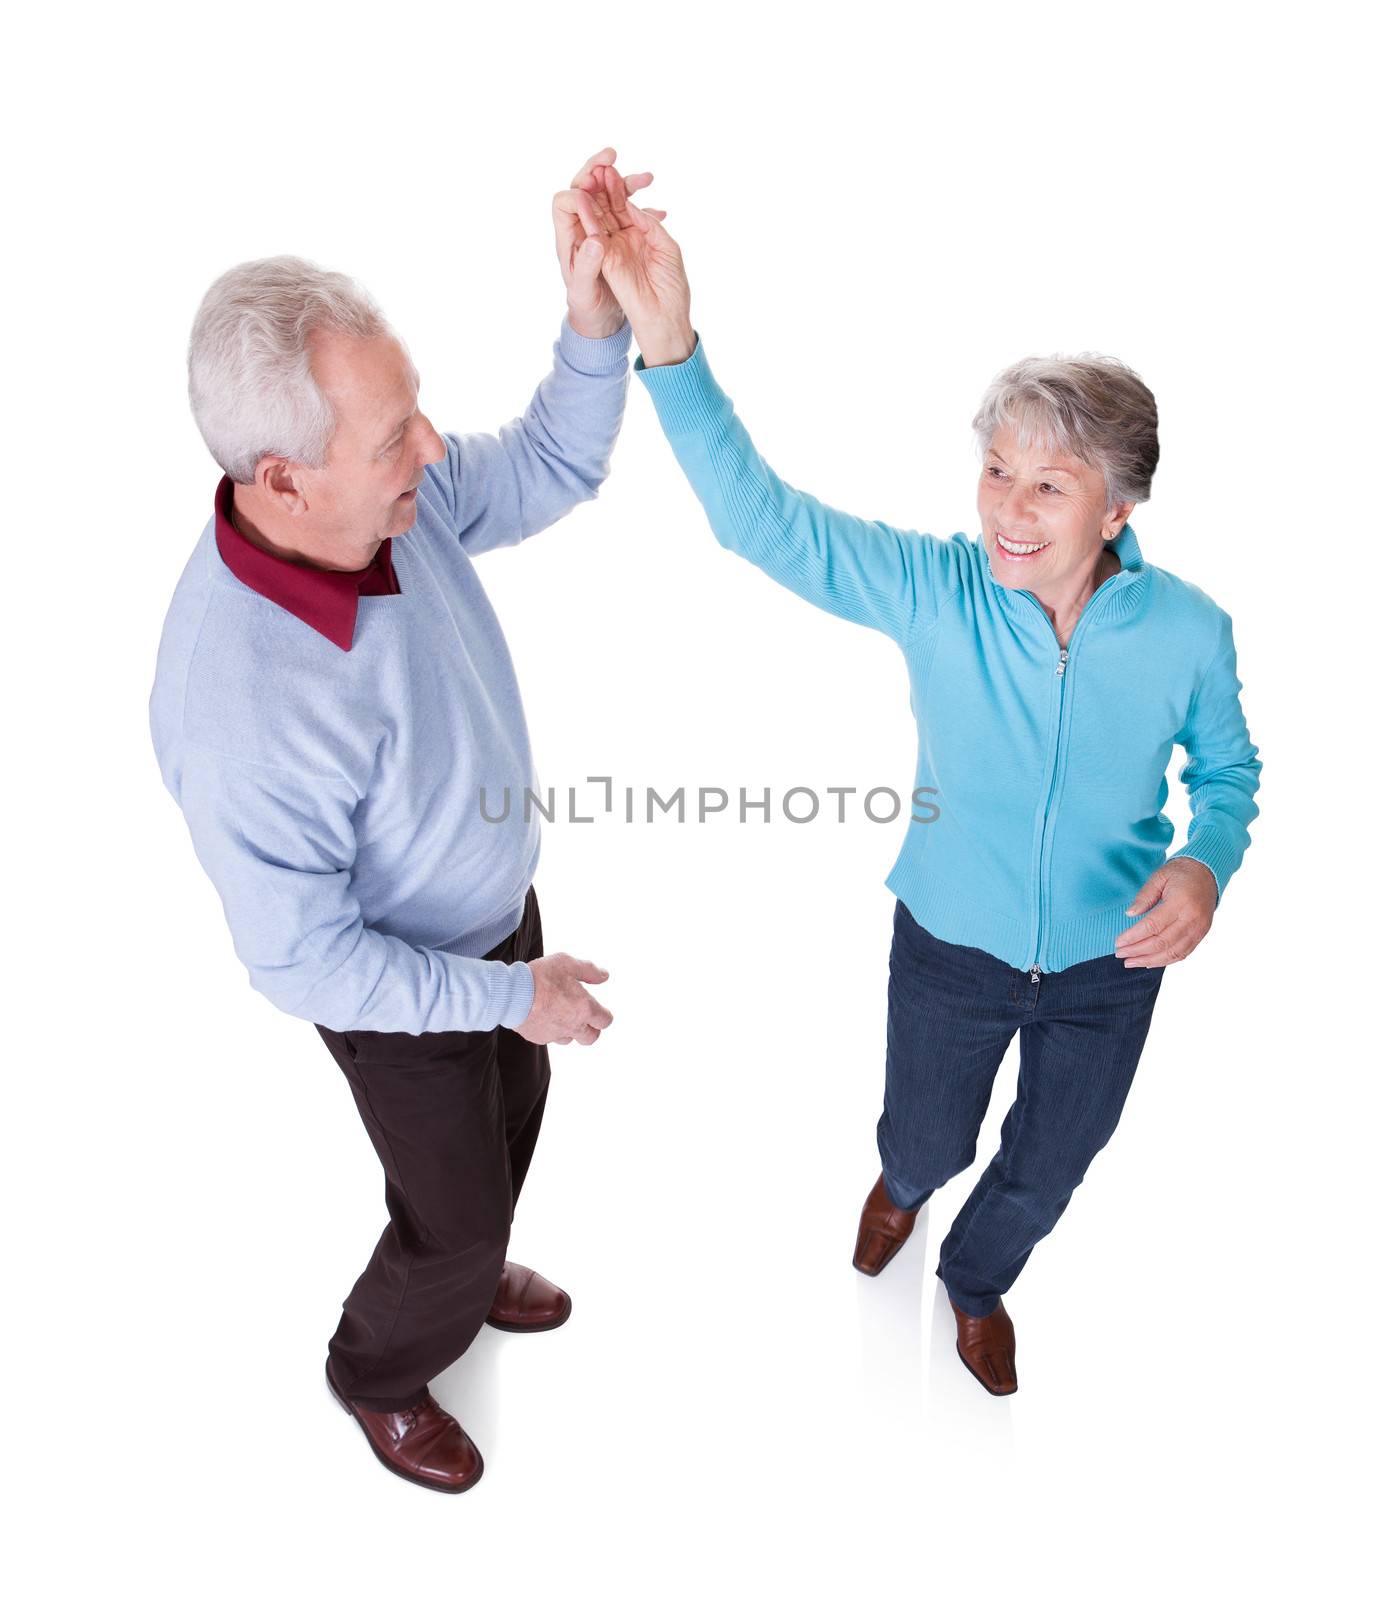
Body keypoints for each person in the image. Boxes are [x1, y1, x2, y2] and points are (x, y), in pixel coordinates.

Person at [589, 176, 1261, 1397]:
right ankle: (901, 1189)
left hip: (1112, 968)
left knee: (1052, 1161)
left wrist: (1205, 861)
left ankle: (976, 1279)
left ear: (1115, 507)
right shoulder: (934, 589)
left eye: (1046, 487)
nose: (1006, 509)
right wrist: (669, 341)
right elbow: (759, 520)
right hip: (948, 943)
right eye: (996, 471)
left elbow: (1225, 771)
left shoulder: (1190, 632)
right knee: (926, 1135)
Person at [149, 151, 664, 1490]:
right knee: (450, 1207)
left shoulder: (385, 505)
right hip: (396, 988)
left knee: (519, 1104)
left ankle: (472, 1250)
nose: (429, 452)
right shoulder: (239, 703)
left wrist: (594, 318)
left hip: (497, 924)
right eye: (393, 438)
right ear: (281, 477)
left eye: (415, 412)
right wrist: (499, 999)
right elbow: (303, 962)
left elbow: (550, 461)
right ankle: (379, 1370)